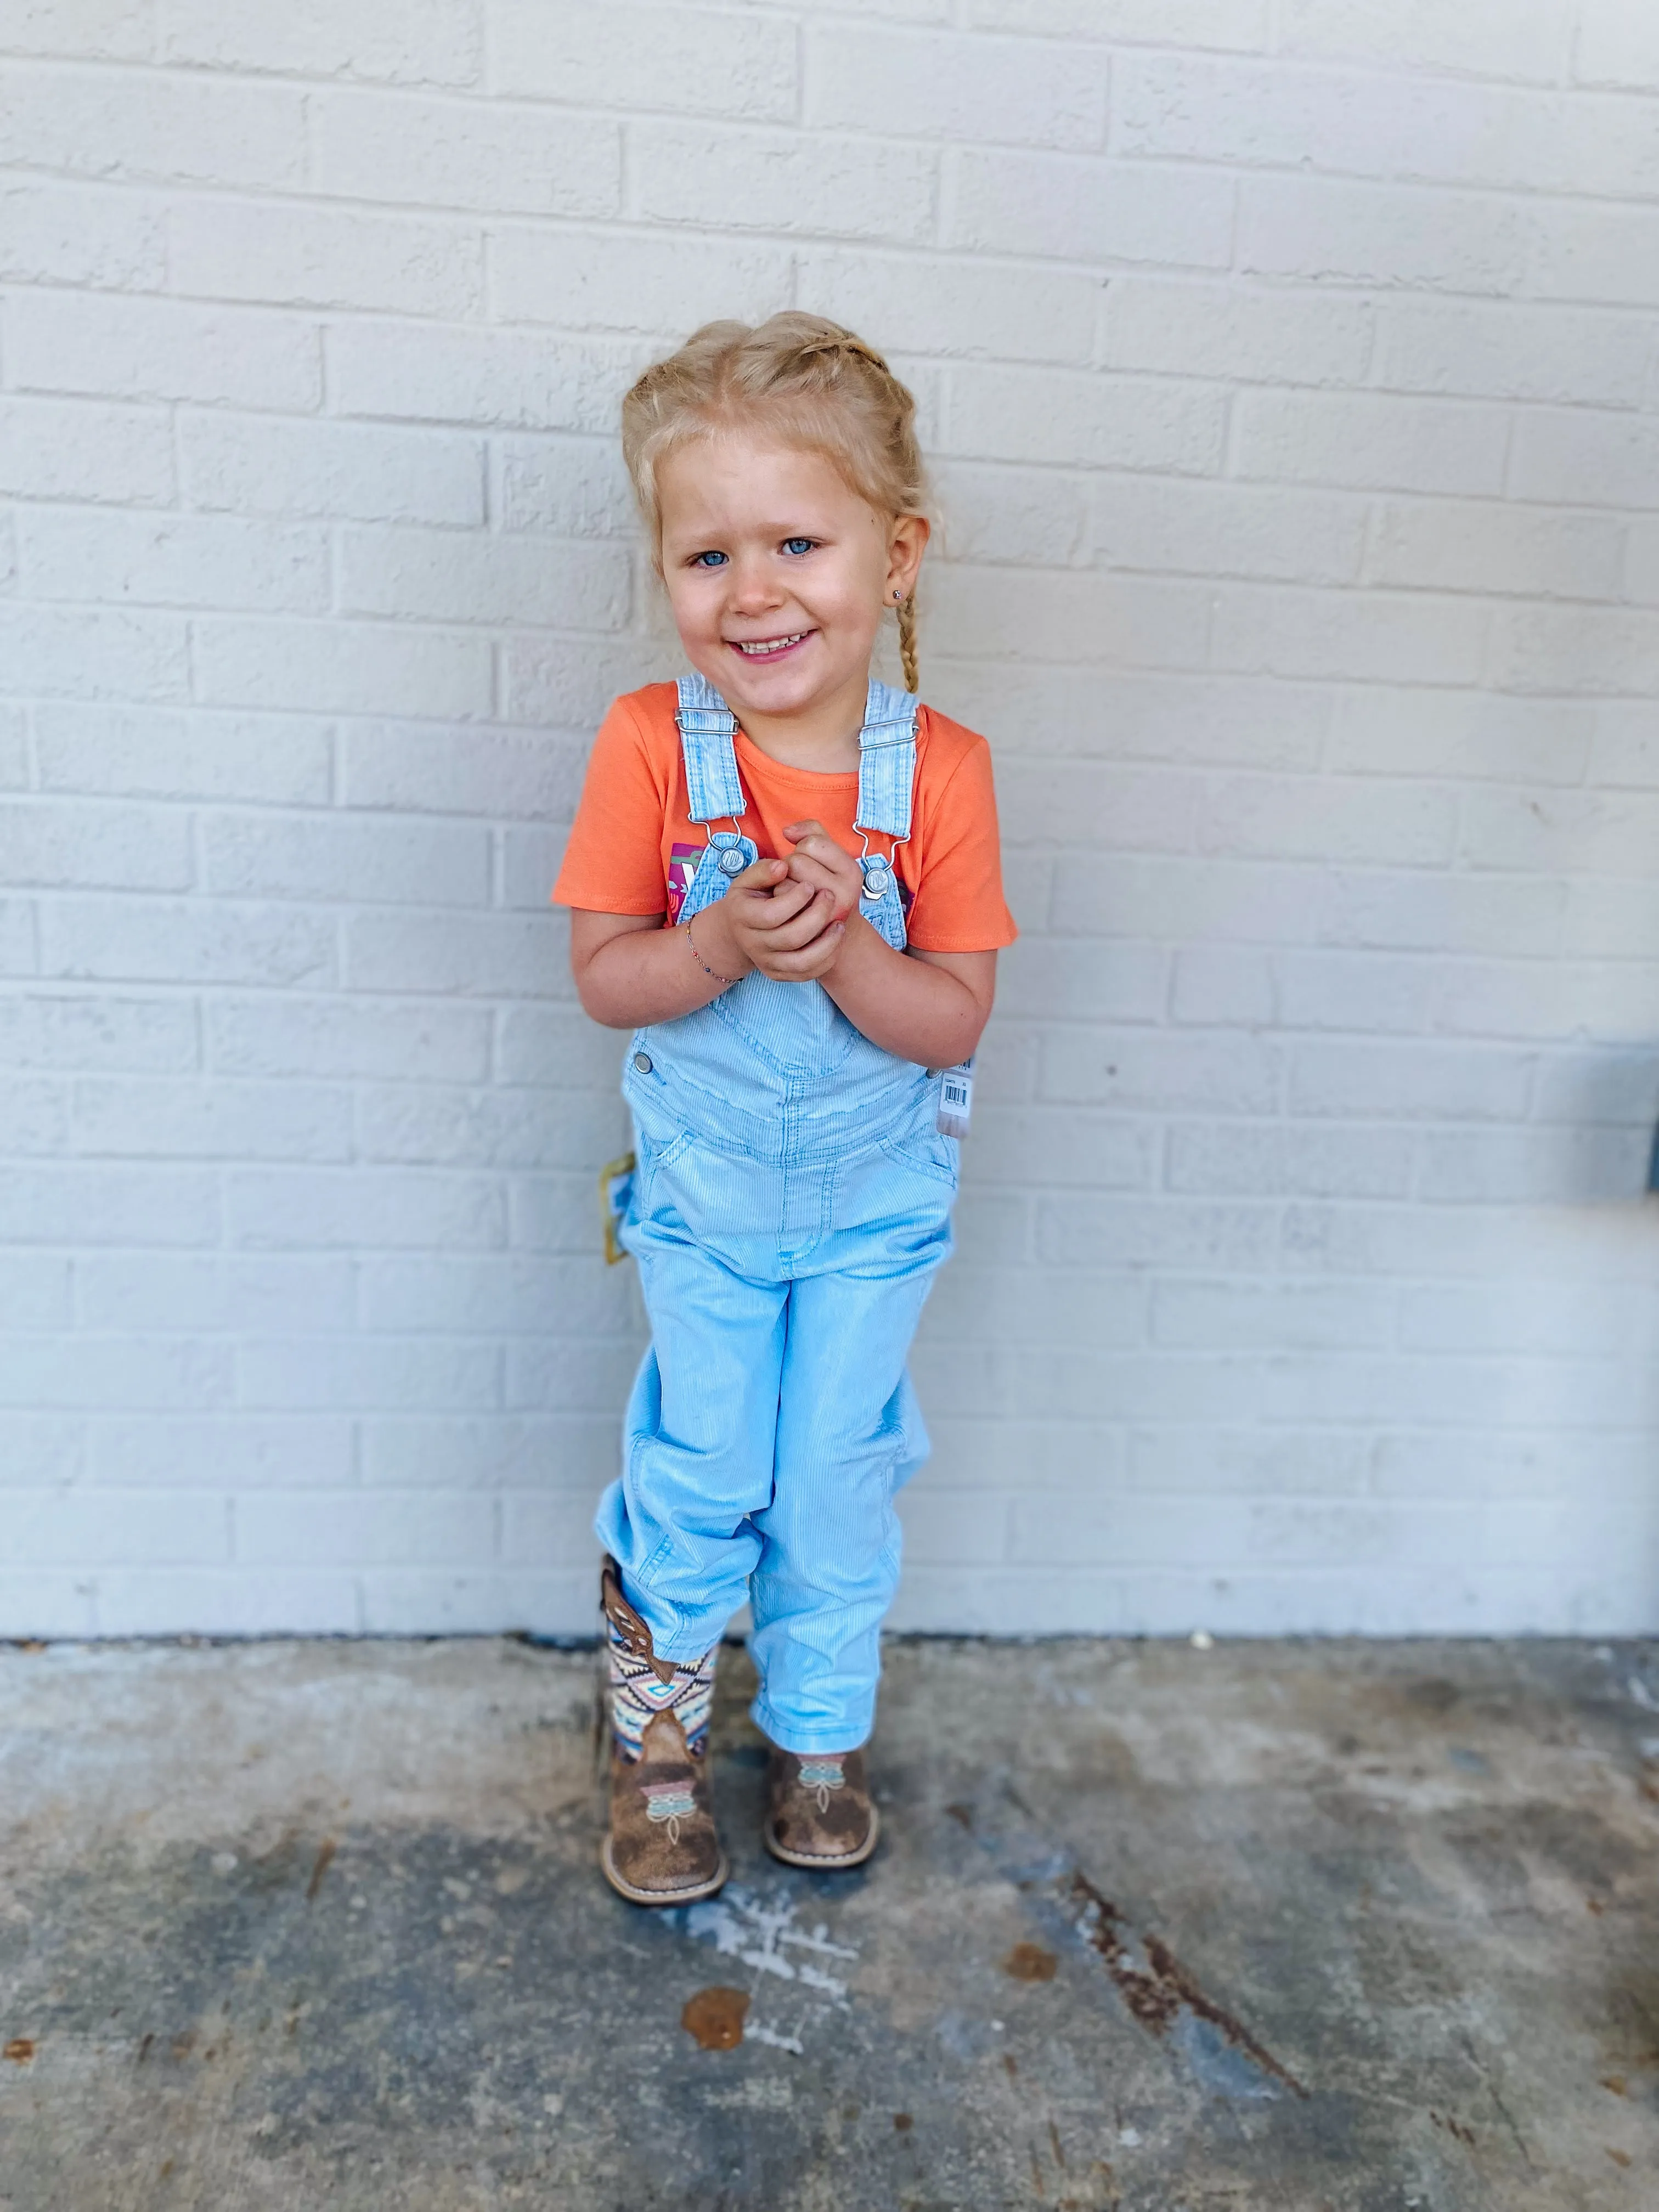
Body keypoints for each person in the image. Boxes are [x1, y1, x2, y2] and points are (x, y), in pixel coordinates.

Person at [553, 313, 1017, 1905]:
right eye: (706, 556)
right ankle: (659, 1745)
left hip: (878, 1218)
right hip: (708, 1207)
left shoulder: (940, 773)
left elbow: (951, 1019)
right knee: (703, 1463)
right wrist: (721, 945)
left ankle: (819, 1734)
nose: (751, 592)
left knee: (830, 1472)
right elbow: (608, 977)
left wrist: (848, 957)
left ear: (896, 555)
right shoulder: (652, 749)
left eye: (798, 543)